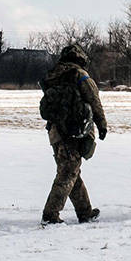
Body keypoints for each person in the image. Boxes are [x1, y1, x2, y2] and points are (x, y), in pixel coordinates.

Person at [41, 44, 107, 224]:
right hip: (75, 130)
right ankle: (50, 215)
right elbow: (94, 100)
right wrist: (102, 125)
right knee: (68, 173)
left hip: (55, 130)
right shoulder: (79, 75)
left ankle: (85, 212)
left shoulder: (51, 76)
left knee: (70, 170)